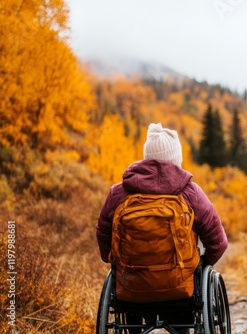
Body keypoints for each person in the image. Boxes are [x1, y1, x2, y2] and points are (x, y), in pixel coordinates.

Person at [96, 122, 228, 333]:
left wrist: (111, 259)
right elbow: (218, 242)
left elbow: (103, 233)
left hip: (131, 288)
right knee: (186, 294)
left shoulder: (119, 193)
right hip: (179, 290)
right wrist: (202, 265)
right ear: (176, 159)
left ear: (146, 157)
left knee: (130, 295)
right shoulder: (191, 193)